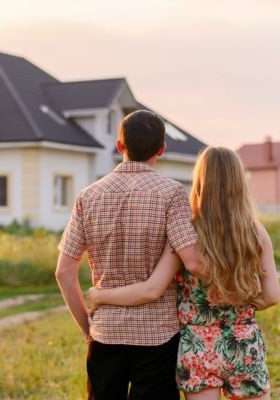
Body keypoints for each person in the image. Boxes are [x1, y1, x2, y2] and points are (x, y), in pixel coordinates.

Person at [87, 147, 280, 400]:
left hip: (199, 347)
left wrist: (100, 296)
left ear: (200, 182)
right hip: (243, 343)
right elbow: (272, 296)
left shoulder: (185, 234)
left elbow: (151, 289)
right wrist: (240, 304)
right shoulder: (256, 232)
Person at [56, 110, 204, 400]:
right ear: (162, 149)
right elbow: (193, 261)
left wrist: (88, 327)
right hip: (158, 335)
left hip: (105, 333)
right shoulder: (172, 194)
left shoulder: (88, 196)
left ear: (119, 145)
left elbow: (63, 272)